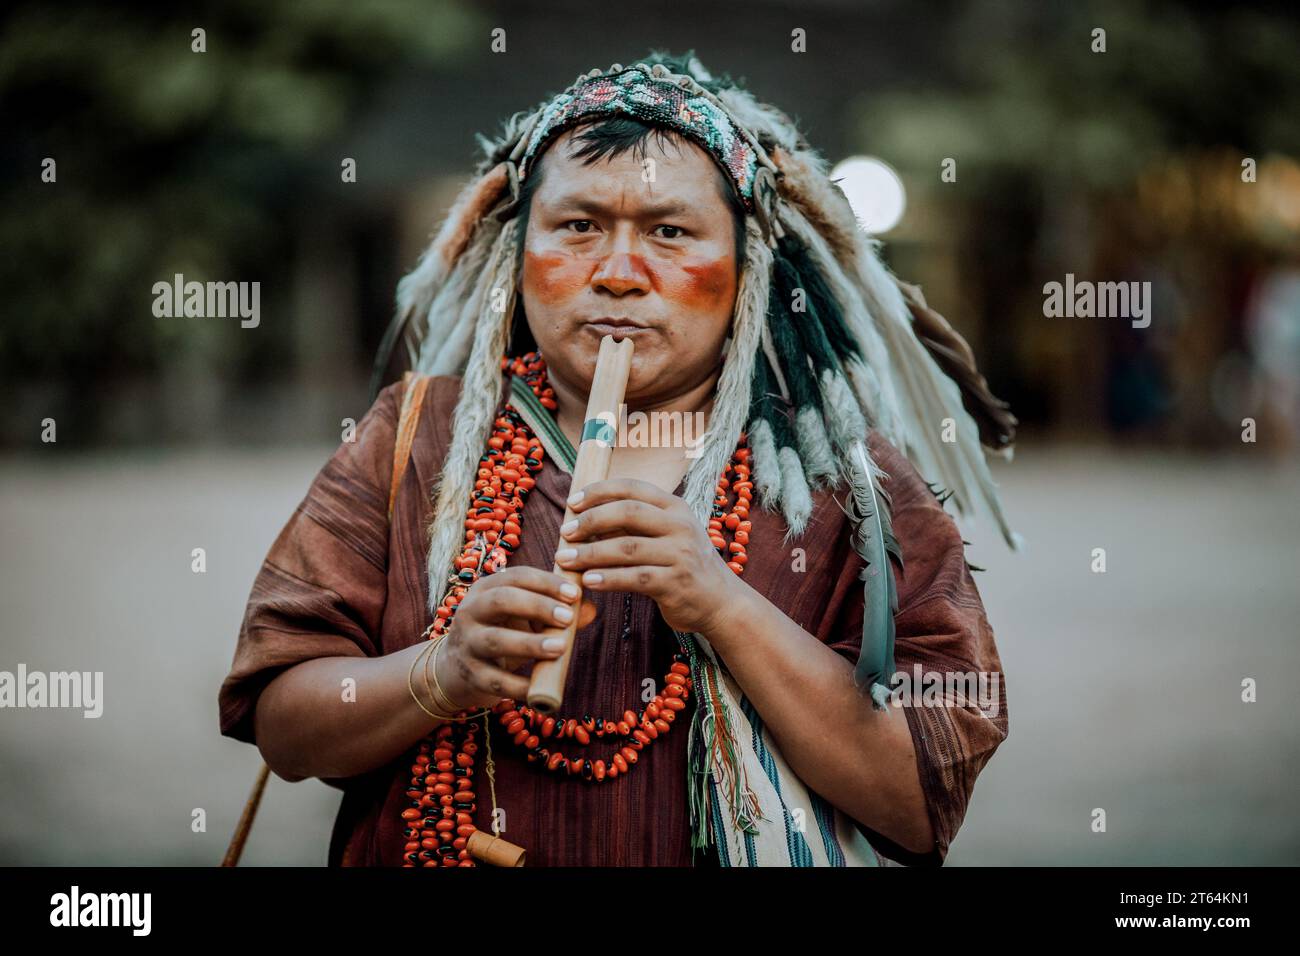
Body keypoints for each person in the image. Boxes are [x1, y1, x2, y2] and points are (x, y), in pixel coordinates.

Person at [219, 51, 1019, 867]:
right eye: (578, 227)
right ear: (517, 251)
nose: (619, 273)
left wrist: (721, 604)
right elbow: (284, 730)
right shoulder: (411, 434)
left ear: (747, 270)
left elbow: (922, 801)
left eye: (670, 233)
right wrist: (439, 675)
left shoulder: (846, 480)